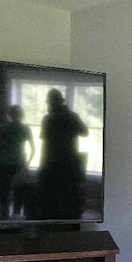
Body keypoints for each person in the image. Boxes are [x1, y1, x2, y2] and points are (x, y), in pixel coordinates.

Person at [38, 88, 89, 219]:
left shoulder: (51, 118)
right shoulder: (69, 116)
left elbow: (84, 132)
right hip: (64, 163)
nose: (50, 106)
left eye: (50, 103)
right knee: (63, 200)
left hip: (57, 163)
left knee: (55, 200)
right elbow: (84, 132)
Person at [0, 105, 35, 218]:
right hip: (13, 162)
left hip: (12, 162)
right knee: (14, 190)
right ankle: (11, 214)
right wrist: (27, 164)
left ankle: (6, 214)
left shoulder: (4, 128)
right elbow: (33, 149)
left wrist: (26, 164)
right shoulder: (22, 129)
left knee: (8, 189)